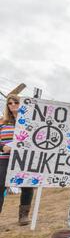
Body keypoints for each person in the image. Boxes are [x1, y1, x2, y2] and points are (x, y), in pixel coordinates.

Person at [0, 94, 34, 226]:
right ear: (7, 106)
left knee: (26, 184)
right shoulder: (2, 122)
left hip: (23, 158)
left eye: (16, 102)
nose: (13, 105)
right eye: (10, 103)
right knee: (0, 185)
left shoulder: (29, 122)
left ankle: (23, 215)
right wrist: (4, 147)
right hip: (4, 158)